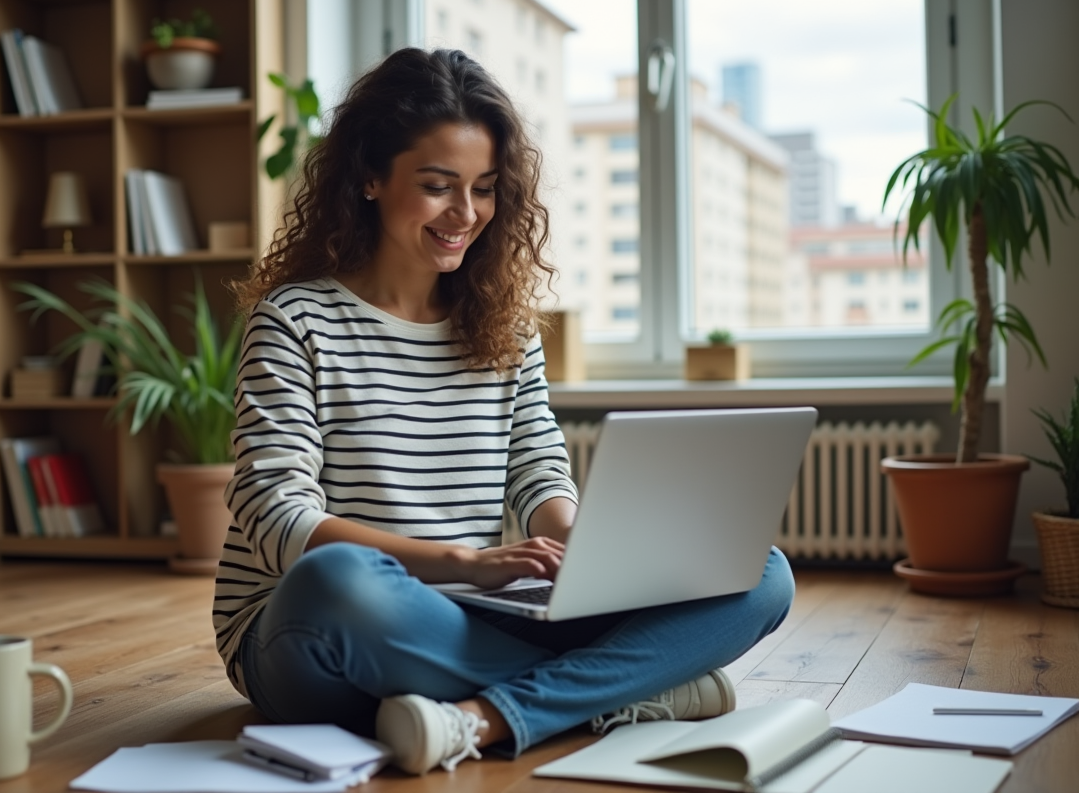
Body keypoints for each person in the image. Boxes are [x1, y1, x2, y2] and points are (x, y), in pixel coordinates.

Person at [216, 47, 795, 776]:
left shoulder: (503, 327)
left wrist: (588, 556)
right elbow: (276, 515)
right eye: (437, 186)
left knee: (760, 571)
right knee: (339, 581)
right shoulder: (296, 320)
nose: (466, 214)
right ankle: (629, 692)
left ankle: (483, 717)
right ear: (368, 177)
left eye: (485, 189)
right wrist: (464, 563)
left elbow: (538, 470)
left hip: (468, 615)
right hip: (320, 630)